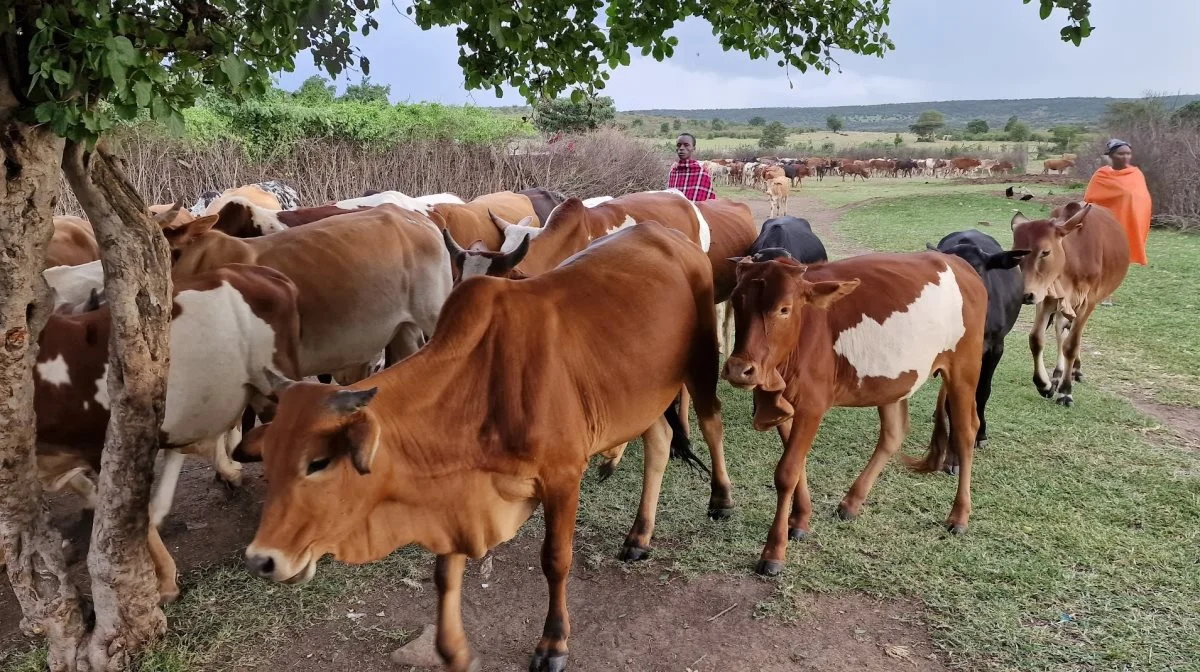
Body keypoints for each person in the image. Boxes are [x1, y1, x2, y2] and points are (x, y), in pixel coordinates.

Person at [1084, 139, 1152, 266]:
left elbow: (1143, 199)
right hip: (1107, 221)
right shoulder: (1101, 175)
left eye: (1128, 153)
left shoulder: (1136, 174)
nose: (1125, 157)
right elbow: (1090, 199)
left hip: (1132, 219)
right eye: (1121, 154)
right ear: (1110, 156)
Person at [667, 133, 716, 202]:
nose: (681, 148)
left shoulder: (702, 173)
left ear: (693, 148)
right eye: (678, 145)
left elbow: (707, 203)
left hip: (696, 212)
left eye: (686, 145)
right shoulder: (673, 172)